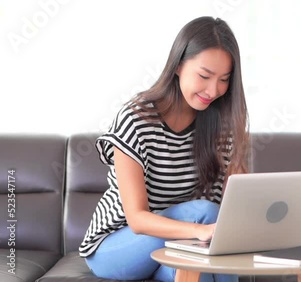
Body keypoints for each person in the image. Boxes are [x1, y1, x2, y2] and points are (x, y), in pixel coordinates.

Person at [79, 16, 249, 282]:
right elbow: (137, 220)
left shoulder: (223, 127)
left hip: (180, 247)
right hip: (117, 247)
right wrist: (198, 230)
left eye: (224, 79)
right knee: (204, 212)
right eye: (204, 76)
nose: (213, 89)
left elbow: (232, 211)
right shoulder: (135, 119)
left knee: (193, 268)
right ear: (179, 65)